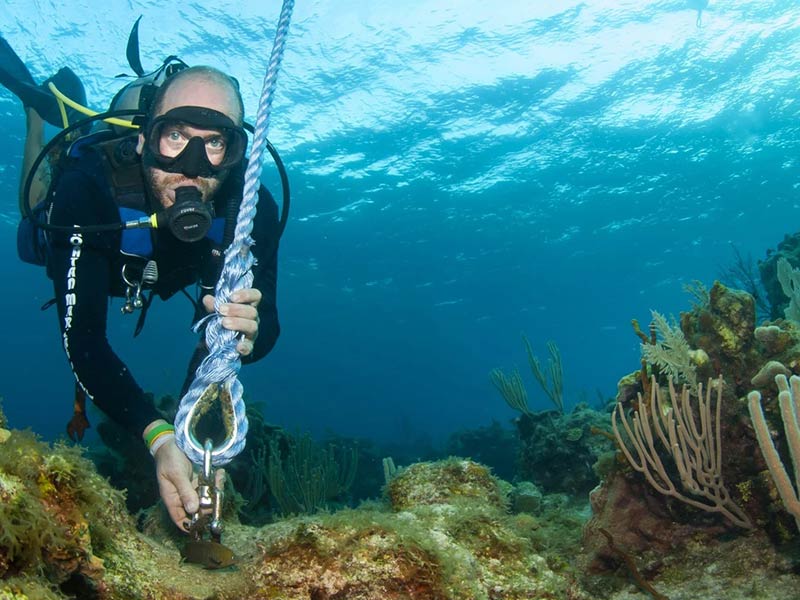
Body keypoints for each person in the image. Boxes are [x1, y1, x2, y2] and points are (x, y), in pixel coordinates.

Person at [2, 50, 281, 532]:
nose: (192, 167)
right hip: (95, 246)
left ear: (237, 153)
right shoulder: (88, 185)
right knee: (31, 229)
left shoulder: (250, 207)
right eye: (175, 136)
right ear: (142, 139)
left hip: (158, 269)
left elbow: (265, 325)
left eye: (214, 143)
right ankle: (37, 114)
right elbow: (83, 340)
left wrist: (245, 339)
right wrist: (158, 438)